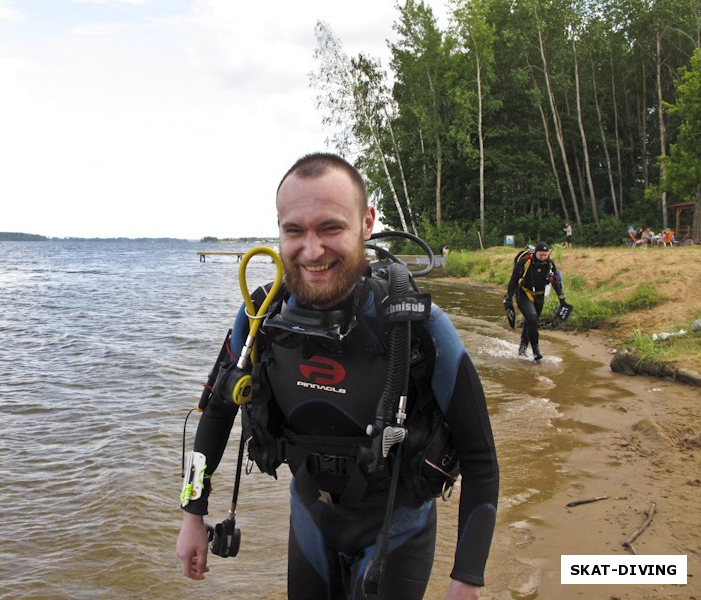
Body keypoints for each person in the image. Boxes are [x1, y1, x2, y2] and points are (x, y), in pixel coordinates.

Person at [176, 153, 499, 600]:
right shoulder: (258, 317)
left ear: (366, 223)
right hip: (311, 520)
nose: (312, 250)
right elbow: (215, 414)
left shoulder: (417, 326)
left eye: (330, 227)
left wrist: (467, 578)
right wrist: (192, 514)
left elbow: (480, 457)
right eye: (294, 230)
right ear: (279, 229)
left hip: (397, 530)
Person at [504, 242, 567, 361]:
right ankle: (536, 351)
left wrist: (562, 298)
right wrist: (508, 299)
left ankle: (522, 348)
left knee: (531, 322)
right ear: (535, 253)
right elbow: (513, 281)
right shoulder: (524, 262)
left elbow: (555, 281)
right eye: (540, 255)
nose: (543, 258)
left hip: (540, 296)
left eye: (545, 255)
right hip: (524, 293)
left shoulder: (550, 264)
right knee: (532, 317)